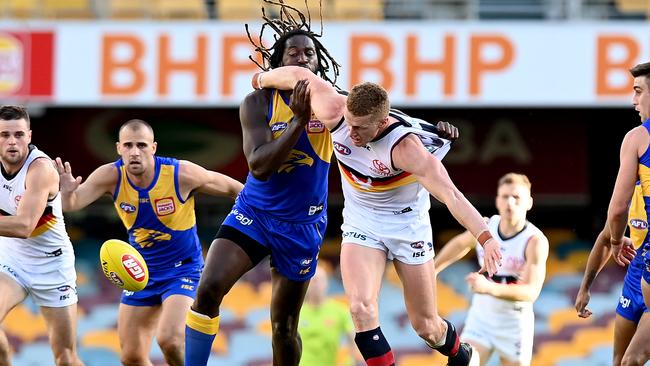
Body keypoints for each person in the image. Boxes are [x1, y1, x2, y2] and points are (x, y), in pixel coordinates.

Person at [253, 66, 502, 366]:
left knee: (426, 326)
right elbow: (298, 75)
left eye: (360, 128)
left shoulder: (406, 149)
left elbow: (452, 196)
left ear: (382, 122)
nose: (351, 133)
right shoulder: (334, 110)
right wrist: (259, 80)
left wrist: (486, 239)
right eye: (349, 123)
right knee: (360, 309)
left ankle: (462, 356)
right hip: (362, 221)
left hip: (407, 224)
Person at [184, 4, 345, 366]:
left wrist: (431, 131)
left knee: (284, 327)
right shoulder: (257, 103)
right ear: (278, 65)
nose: (302, 58)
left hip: (302, 226)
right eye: (293, 53)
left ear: (318, 65)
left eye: (309, 53)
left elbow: (381, 119)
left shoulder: (334, 104)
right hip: (255, 212)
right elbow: (258, 166)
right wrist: (298, 122)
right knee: (208, 291)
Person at [55, 119, 242, 366]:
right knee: (131, 357)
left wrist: (257, 220)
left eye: (141, 145)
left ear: (153, 148)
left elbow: (235, 188)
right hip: (140, 274)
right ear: (118, 148)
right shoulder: (110, 176)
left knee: (170, 340)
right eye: (128, 145)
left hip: (182, 270)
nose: (135, 152)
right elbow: (72, 204)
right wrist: (67, 192)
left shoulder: (180, 174)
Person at [435, 173, 549, 366]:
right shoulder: (486, 227)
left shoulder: (535, 240)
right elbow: (461, 243)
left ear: (529, 202)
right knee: (464, 362)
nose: (510, 203)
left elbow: (531, 291)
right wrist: (433, 269)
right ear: (497, 200)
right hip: (482, 318)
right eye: (505, 196)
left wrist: (488, 288)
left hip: (515, 324)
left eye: (516, 197)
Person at [0, 105, 83, 366]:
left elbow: (25, 226)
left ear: (30, 135)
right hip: (11, 261)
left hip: (52, 265)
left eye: (19, 134)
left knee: (65, 358)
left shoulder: (41, 170)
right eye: (4, 135)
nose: (12, 141)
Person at [603, 61, 650, 366]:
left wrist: (617, 240)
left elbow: (617, 209)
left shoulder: (637, 138)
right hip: (644, 262)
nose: (633, 100)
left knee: (628, 360)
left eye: (638, 91)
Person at [575, 225, 637, 366]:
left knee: (631, 360)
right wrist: (584, 289)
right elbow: (606, 238)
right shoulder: (627, 203)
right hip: (634, 285)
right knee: (620, 362)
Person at [298, 264, 358, 366]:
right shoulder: (297, 312)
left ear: (326, 283)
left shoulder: (339, 311)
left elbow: (353, 338)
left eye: (319, 280)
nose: (315, 285)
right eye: (312, 281)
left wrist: (351, 361)